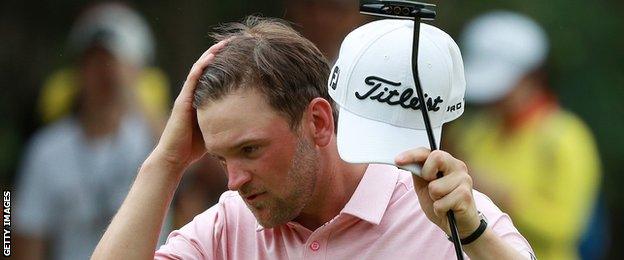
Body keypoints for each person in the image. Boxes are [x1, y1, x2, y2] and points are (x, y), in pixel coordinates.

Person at [93, 17, 534, 259]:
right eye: (221, 159)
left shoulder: (438, 213)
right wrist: (166, 163)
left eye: (250, 150)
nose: (234, 181)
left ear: (319, 122)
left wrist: (473, 236)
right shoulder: (231, 224)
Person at [13, 3, 169, 259]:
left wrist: (132, 92)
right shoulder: (46, 150)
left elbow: (196, 164)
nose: (103, 73)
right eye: (93, 62)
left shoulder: (154, 137)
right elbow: (25, 237)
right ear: (77, 70)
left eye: (113, 62)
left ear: (138, 71)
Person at [446, 11, 602, 260]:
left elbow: (565, 227)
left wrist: (501, 195)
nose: (493, 97)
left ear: (532, 76)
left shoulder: (567, 137)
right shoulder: (476, 130)